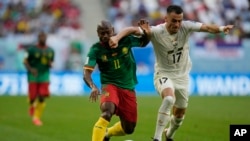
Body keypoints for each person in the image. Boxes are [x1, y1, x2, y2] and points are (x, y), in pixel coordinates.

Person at [109, 5, 234, 141]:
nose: (177, 24)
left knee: (179, 115)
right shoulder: (156, 31)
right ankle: (157, 138)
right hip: (164, 74)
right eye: (174, 20)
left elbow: (208, 28)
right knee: (169, 98)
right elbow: (131, 29)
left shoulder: (186, 27)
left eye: (180, 20)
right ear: (166, 19)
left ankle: (169, 135)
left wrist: (222, 28)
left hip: (182, 77)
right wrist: (116, 38)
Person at [83, 20, 149, 141]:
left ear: (113, 31)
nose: (105, 36)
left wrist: (147, 32)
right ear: (98, 34)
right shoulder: (96, 50)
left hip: (128, 87)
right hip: (109, 85)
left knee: (129, 128)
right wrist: (93, 86)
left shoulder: (125, 40)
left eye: (107, 32)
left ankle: (107, 133)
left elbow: (144, 42)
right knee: (107, 112)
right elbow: (86, 73)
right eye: (102, 33)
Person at [23, 31, 55, 126]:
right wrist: (31, 69)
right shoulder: (31, 50)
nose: (43, 38)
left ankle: (36, 118)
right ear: (38, 38)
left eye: (44, 37)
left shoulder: (50, 50)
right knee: (32, 97)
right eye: (41, 37)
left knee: (42, 96)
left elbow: (50, 62)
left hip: (44, 74)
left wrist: (50, 64)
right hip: (33, 75)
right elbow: (25, 61)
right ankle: (32, 104)